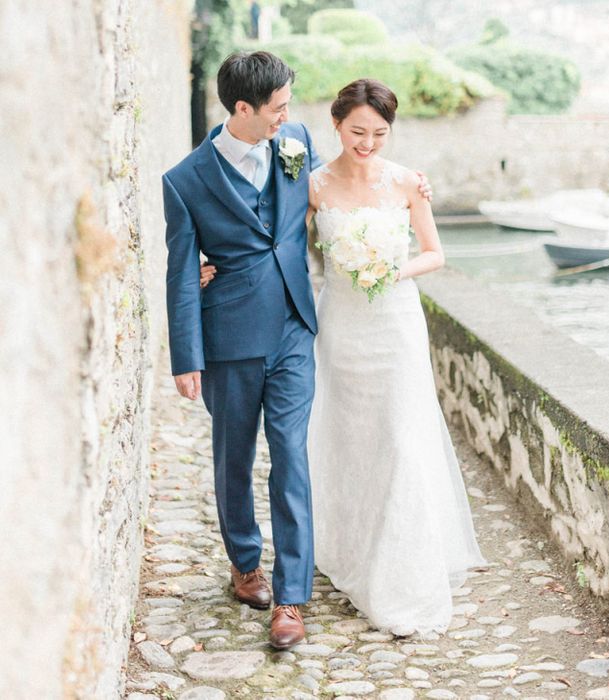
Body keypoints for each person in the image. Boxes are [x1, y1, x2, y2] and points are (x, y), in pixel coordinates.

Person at [164, 52, 432, 650]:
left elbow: (344, 182)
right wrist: (186, 356)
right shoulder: (184, 181)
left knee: (292, 456)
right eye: (278, 107)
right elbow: (179, 272)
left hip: (293, 328)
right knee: (234, 459)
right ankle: (245, 564)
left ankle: (291, 598)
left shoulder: (297, 142)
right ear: (242, 110)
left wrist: (405, 183)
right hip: (228, 337)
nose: (289, 115)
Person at [202, 78, 485, 636]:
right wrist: (215, 264)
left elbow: (434, 254)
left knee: (402, 440)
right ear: (335, 126)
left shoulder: (407, 182)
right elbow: (272, 240)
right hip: (339, 326)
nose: (368, 142)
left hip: (397, 324)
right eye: (358, 131)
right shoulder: (311, 184)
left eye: (380, 133)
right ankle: (346, 547)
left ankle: (402, 570)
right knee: (345, 438)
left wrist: (391, 269)